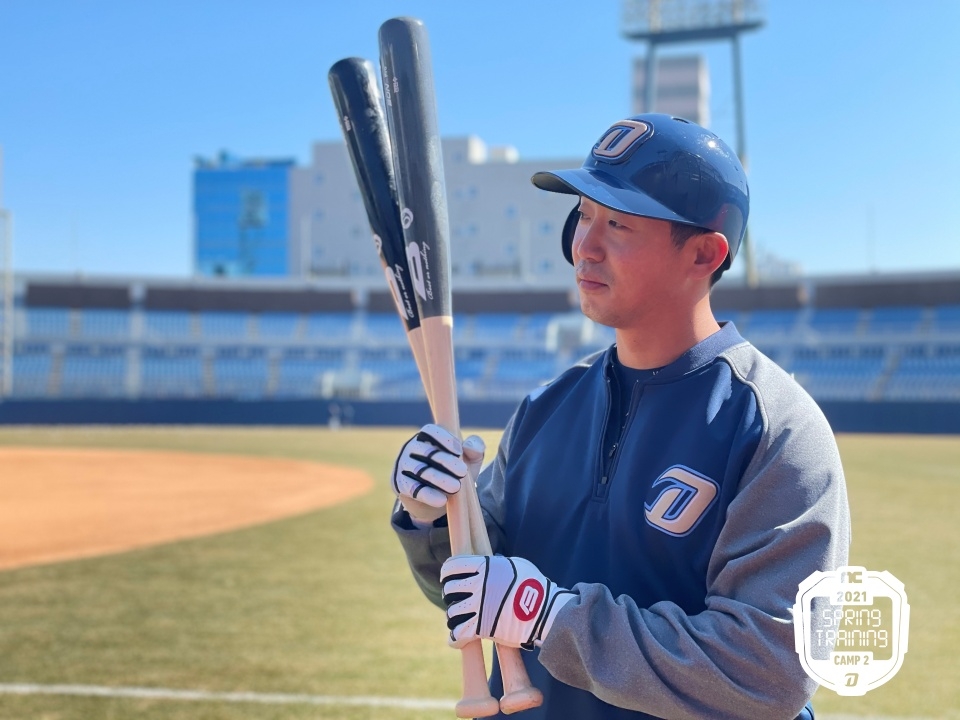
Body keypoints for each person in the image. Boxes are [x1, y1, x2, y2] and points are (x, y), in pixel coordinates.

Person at [390, 113, 851, 719]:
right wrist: (435, 518)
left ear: (704, 254)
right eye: (582, 216)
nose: (584, 244)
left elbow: (769, 671)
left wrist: (549, 616)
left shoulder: (775, 427)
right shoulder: (545, 408)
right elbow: (474, 591)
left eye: (618, 223)